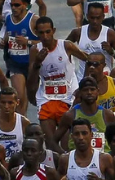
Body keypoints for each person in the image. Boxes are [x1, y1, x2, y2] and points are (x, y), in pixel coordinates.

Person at [28, 16, 84, 146]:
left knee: (66, 144)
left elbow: (89, 60)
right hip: (47, 99)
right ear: (36, 33)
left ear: (53, 31)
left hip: (68, 99)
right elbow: (30, 80)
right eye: (41, 33)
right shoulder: (35, 50)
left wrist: (82, 86)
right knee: (50, 143)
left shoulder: (66, 46)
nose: (45, 36)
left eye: (48, 32)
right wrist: (37, 63)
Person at [0, 0, 39, 116]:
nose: (13, 8)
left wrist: (28, 42)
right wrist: (3, 42)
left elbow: (46, 42)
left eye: (17, 5)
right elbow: (7, 35)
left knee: (34, 97)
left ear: (25, 5)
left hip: (33, 64)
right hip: (15, 63)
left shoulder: (34, 20)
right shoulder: (8, 19)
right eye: (12, 5)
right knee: (19, 97)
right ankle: (22, 123)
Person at [54, 77, 115, 154]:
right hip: (77, 160)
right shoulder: (70, 115)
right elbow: (53, 141)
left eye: (92, 89)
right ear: (80, 93)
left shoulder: (108, 115)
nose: (89, 92)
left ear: (98, 91)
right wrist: (66, 156)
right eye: (85, 90)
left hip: (102, 159)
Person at [66, 3, 115, 79]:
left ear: (103, 17)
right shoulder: (78, 32)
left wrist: (112, 52)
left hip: (104, 80)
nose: (95, 21)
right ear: (87, 16)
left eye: (98, 18)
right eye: (92, 18)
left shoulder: (110, 34)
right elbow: (62, 49)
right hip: (83, 80)